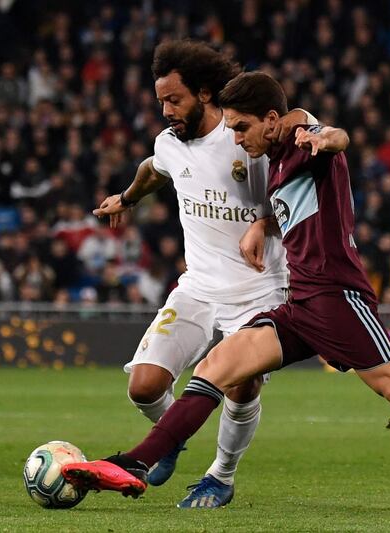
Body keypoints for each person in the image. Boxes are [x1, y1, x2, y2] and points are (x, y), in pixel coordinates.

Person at [62, 71, 390, 519]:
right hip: (300, 303)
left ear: (272, 120)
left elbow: (336, 138)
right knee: (215, 368)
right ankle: (137, 463)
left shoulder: (301, 141)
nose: (235, 138)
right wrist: (262, 222)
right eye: (229, 128)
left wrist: (323, 136)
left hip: (339, 299)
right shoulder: (270, 158)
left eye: (242, 127)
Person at [93, 40, 317, 508]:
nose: (166, 110)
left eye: (174, 100)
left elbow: (296, 175)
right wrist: (127, 198)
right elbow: (153, 169)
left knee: (241, 382)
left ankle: (221, 475)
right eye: (160, 102)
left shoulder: (245, 137)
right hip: (197, 286)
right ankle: (171, 439)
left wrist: (262, 222)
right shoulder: (169, 144)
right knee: (144, 386)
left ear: (206, 93)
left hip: (260, 288)